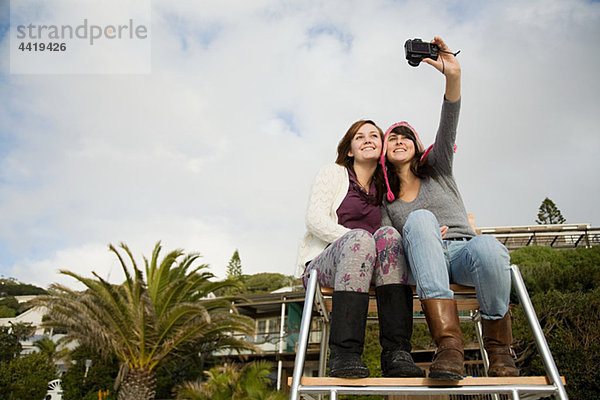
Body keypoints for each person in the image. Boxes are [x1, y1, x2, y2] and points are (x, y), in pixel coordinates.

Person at [380, 36, 519, 380]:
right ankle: (449, 346)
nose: (399, 141)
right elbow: (387, 241)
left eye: (405, 137)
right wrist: (420, 234)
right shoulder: (388, 199)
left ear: (416, 145)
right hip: (424, 264)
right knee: (421, 220)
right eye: (392, 138)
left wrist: (452, 76)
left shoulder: (438, 166)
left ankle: (500, 351)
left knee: (489, 247)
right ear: (384, 152)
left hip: (463, 254)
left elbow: (449, 120)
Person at [296, 119, 424, 379]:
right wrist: (361, 241)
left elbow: (394, 235)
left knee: (388, 235)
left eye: (374, 136)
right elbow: (315, 219)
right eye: (360, 136)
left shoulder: (386, 187)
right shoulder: (332, 173)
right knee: (361, 240)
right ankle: (345, 353)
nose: (367, 139)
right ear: (350, 149)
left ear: (382, 146)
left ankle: (396, 354)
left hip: (371, 269)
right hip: (325, 264)